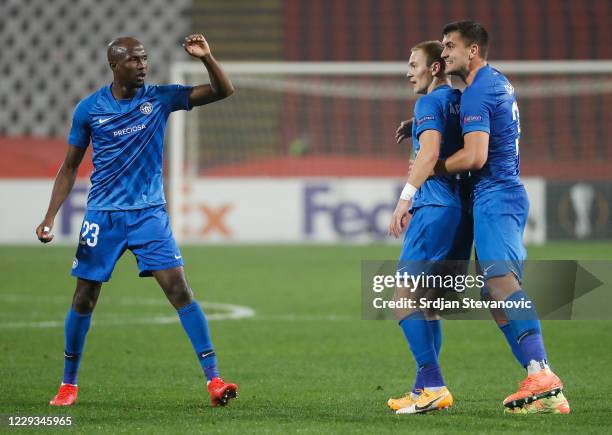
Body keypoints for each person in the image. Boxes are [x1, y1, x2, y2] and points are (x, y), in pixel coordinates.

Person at [36, 34, 238, 407]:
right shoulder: (89, 109)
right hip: (103, 215)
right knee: (84, 296)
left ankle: (215, 380)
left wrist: (207, 57)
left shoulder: (159, 98)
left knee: (180, 290)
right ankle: (68, 385)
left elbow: (222, 91)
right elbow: (69, 167)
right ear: (115, 65)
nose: (143, 64)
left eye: (144, 58)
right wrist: (50, 216)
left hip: (149, 215)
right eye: (134, 60)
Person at [438, 20, 569, 414]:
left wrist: (432, 165)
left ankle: (542, 372)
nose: (444, 53)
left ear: (473, 50)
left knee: (500, 283)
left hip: (497, 195)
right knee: (492, 294)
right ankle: (545, 387)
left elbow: (475, 156)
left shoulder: (479, 91)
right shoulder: (494, 82)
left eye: (450, 46)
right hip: (498, 196)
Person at [386, 40, 472, 415]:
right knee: (428, 303)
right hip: (460, 210)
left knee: (403, 299)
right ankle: (424, 387)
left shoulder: (428, 102)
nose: (408, 72)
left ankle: (433, 384)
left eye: (413, 64)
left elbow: (431, 153)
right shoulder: (460, 100)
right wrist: (416, 124)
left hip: (434, 207)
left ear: (434, 68)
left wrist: (406, 197)